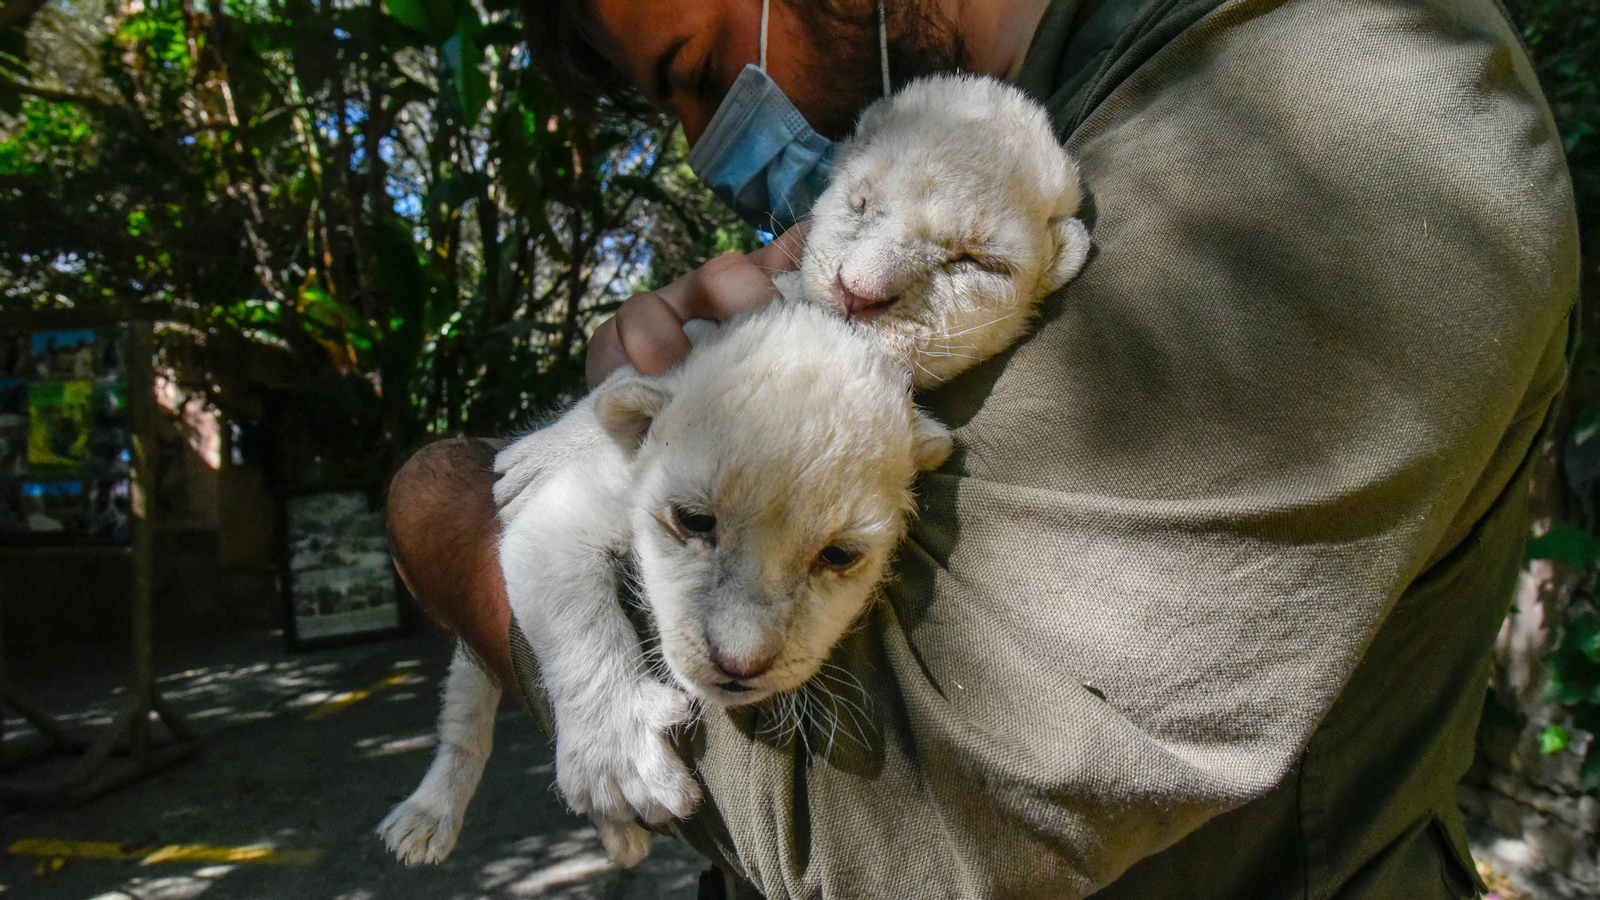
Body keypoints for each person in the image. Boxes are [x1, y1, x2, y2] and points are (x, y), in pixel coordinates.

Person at [385, 0, 1580, 896]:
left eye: (699, 73)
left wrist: (454, 523)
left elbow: (882, 830)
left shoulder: (1344, 116)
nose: (710, 141)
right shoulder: (1031, 120)